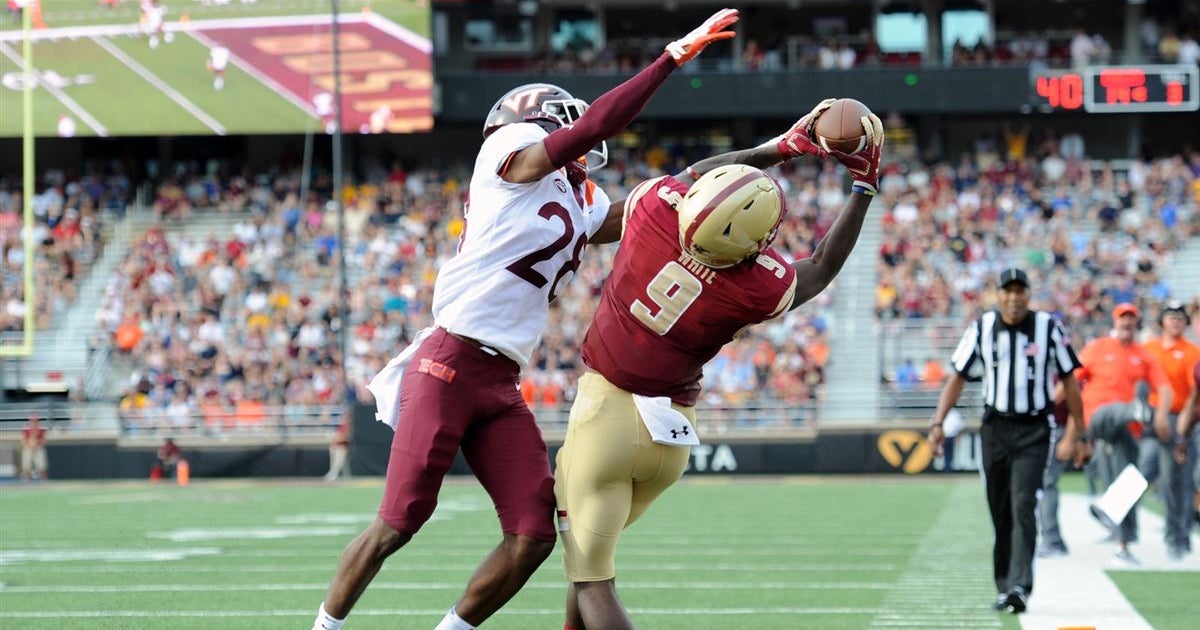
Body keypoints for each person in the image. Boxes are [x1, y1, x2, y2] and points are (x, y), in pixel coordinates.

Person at [310, 10, 740, 630]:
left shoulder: (578, 197)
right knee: (398, 522)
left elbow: (665, 201)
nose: (578, 136)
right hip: (450, 360)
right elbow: (594, 125)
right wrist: (669, 59)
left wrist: (766, 153)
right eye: (561, 121)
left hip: (500, 380)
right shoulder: (504, 157)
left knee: (534, 533)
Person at [555, 100, 885, 630]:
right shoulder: (756, 287)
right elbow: (822, 266)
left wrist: (780, 148)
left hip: (606, 418)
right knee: (585, 563)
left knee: (592, 577)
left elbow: (696, 174)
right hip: (671, 436)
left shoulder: (656, 210)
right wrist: (863, 186)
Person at [928, 268, 1087, 615]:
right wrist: (938, 422)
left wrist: (1080, 432)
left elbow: (1070, 381)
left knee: (1023, 504)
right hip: (996, 429)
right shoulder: (982, 328)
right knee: (1000, 508)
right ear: (998, 295)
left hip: (1034, 429)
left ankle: (1019, 586)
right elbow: (957, 377)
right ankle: (1004, 585)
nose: (1014, 298)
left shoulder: (1048, 328)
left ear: (1029, 295)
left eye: (1020, 291)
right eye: (1007, 291)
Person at [1075, 302, 1172, 565]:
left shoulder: (1144, 355)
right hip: (1097, 417)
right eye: (1122, 318)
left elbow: (1163, 387)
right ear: (1115, 322)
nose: (1126, 323)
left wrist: (1162, 415)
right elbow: (1072, 380)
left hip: (1127, 430)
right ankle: (1135, 409)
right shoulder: (1097, 348)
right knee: (1114, 410)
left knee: (1123, 483)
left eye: (1131, 319)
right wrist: (1056, 410)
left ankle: (1123, 545)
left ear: (1136, 323)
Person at [1141, 302, 1199, 559]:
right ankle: (1115, 514)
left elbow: (1193, 397)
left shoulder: (1192, 352)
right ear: (1162, 321)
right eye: (1170, 316)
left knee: (1176, 480)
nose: (1175, 320)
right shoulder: (1149, 348)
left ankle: (1178, 537)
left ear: (1186, 323)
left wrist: (1182, 432)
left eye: (1179, 317)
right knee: (1142, 468)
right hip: (1150, 416)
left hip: (1178, 419)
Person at [20, 415, 48, 480]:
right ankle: (27, 476)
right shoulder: (26, 430)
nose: (34, 423)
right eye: (32, 421)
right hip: (28, 448)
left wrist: (37, 444)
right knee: (27, 461)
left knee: (41, 462)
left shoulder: (41, 430)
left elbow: (43, 441)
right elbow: (23, 440)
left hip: (38, 448)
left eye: (35, 421)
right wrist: (30, 445)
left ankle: (42, 476)